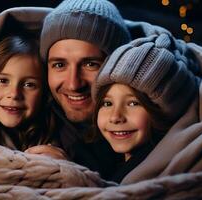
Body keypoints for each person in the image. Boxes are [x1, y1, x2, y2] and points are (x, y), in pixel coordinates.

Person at [24, 0, 133, 179]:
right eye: (59, 64)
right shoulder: (30, 119)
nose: (74, 84)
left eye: (90, 64)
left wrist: (74, 175)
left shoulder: (147, 130)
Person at [91, 33, 199, 182]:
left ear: (162, 111)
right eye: (107, 103)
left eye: (133, 103)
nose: (115, 117)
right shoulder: (109, 163)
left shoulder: (162, 174)